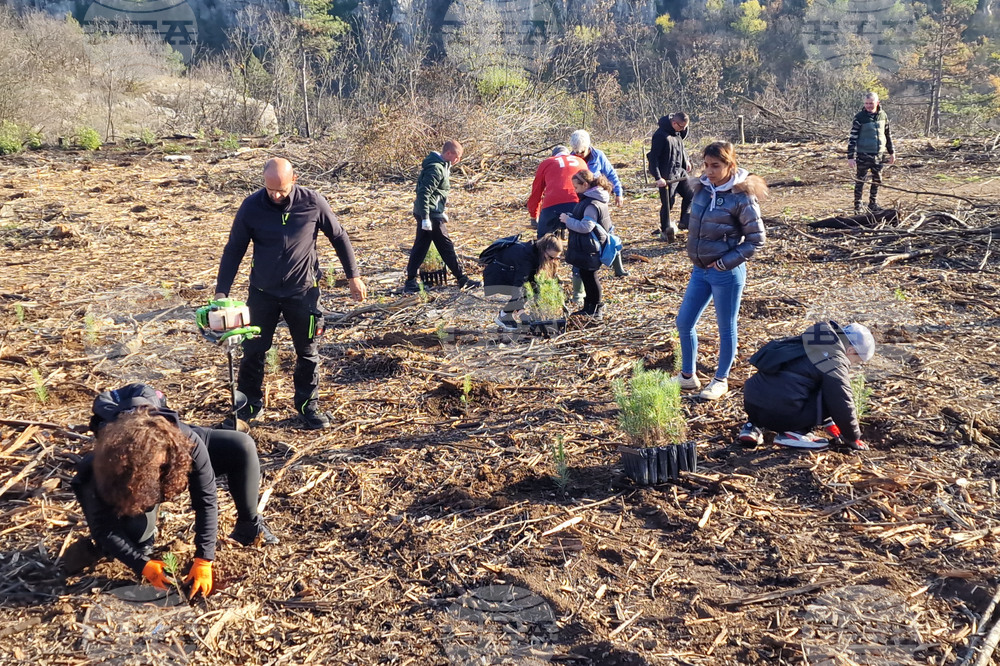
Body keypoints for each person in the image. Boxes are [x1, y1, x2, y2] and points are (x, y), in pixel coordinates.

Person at [71, 384, 278, 599]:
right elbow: (103, 528)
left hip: (177, 450)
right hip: (128, 482)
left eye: (161, 466)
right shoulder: (100, 468)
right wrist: (141, 564)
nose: (157, 474)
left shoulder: (184, 442)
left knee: (241, 446)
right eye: (152, 470)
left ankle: (248, 527)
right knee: (135, 537)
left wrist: (204, 559)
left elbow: (205, 499)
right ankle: (140, 546)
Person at [215, 157, 367, 430]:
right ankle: (250, 406)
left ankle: (308, 406)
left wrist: (353, 277)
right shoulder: (251, 206)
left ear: (294, 180)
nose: (275, 195)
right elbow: (234, 248)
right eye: (270, 189)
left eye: (281, 190)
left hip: (303, 292)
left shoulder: (312, 202)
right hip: (263, 293)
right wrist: (221, 291)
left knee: (307, 352)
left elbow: (339, 236)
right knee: (253, 351)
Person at [676, 141, 767, 401]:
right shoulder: (702, 189)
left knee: (725, 327)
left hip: (726, 272)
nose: (709, 171)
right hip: (700, 270)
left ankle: (720, 380)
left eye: (715, 166)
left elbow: (756, 239)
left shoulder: (742, 196)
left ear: (730, 165)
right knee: (684, 322)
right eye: (706, 165)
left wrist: (724, 263)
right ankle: (687, 376)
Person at [738, 321, 875, 451]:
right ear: (850, 350)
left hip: (753, 403)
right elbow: (841, 401)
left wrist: (828, 422)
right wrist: (852, 436)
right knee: (833, 390)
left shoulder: (813, 340)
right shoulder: (835, 360)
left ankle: (752, 426)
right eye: (856, 361)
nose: (852, 365)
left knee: (787, 383)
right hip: (782, 410)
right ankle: (795, 433)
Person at [403, 140, 482, 294]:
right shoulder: (436, 168)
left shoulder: (443, 166)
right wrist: (426, 217)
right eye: (457, 157)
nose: (458, 160)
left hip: (432, 212)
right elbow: (424, 193)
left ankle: (410, 281)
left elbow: (437, 193)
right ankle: (462, 279)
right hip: (430, 215)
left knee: (421, 247)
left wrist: (441, 210)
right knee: (446, 247)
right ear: (448, 153)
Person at [569, 130, 628, 284]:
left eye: (581, 151)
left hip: (597, 201)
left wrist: (618, 193)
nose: (578, 154)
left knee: (607, 231)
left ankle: (618, 267)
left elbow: (611, 174)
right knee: (583, 237)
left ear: (588, 146)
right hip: (580, 202)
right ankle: (579, 275)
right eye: (575, 151)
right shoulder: (571, 159)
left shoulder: (598, 156)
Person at [560, 170, 614, 319]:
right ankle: (588, 307)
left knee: (591, 277)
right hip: (588, 246)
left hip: (591, 247)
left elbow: (586, 227)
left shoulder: (592, 203)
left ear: (585, 185)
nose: (575, 190)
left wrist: (568, 220)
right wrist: (572, 217)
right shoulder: (590, 199)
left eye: (576, 187)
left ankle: (596, 309)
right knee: (585, 275)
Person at [484, 233, 565, 330]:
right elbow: (518, 285)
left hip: (507, 271)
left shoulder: (536, 252)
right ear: (544, 250)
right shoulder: (526, 258)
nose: (553, 261)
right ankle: (504, 316)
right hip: (496, 276)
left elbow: (533, 280)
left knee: (529, 290)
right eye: (551, 258)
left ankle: (506, 314)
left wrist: (538, 304)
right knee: (524, 291)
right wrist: (521, 312)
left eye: (557, 258)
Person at [647, 112, 694, 242]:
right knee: (668, 202)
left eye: (685, 127)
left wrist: (686, 160)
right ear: (674, 123)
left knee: (690, 194)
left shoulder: (678, 132)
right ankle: (665, 230)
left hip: (680, 171)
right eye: (682, 127)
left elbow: (681, 147)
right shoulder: (660, 136)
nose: (683, 130)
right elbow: (653, 158)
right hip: (667, 175)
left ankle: (684, 221)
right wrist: (658, 177)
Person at [847, 91, 896, 215]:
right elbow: (852, 137)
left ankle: (873, 204)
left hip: (879, 154)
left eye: (871, 103)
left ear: (877, 103)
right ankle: (857, 206)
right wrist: (850, 156)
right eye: (866, 103)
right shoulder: (859, 117)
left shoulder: (883, 115)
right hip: (863, 154)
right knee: (860, 180)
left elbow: (887, 135)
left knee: (877, 180)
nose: (868, 106)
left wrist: (891, 152)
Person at [526, 146, 587, 238]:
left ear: (553, 155)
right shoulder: (581, 161)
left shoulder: (547, 162)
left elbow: (536, 192)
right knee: (580, 236)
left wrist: (534, 215)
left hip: (552, 204)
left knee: (543, 238)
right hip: (577, 203)